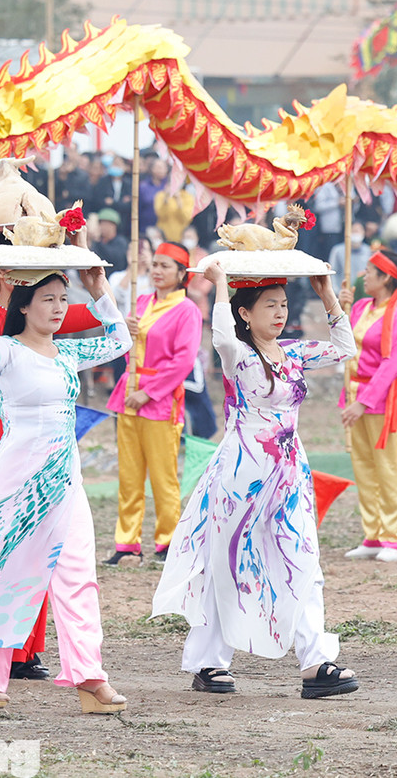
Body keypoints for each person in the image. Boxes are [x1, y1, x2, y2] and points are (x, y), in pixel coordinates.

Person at [0, 261, 131, 712]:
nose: (59, 308)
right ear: (23, 305)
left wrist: (98, 292)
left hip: (65, 481)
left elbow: (121, 341)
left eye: (63, 298)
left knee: (79, 577)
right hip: (17, 483)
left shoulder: (68, 354)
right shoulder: (6, 350)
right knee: (5, 572)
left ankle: (89, 677)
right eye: (48, 299)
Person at [153, 263, 359, 699]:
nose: (280, 313)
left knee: (303, 560)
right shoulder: (240, 355)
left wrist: (326, 295)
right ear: (246, 313)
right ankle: (210, 664)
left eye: (283, 304)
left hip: (288, 473)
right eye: (270, 306)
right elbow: (223, 337)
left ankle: (315, 663)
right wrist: (222, 286)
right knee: (227, 563)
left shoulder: (295, 353)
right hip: (240, 476)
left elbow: (345, 348)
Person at [106, 242, 202, 565]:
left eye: (165, 266)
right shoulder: (142, 301)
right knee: (129, 475)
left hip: (159, 401)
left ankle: (168, 543)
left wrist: (148, 393)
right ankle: (126, 542)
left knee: (164, 478)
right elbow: (123, 349)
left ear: (181, 274)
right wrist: (126, 331)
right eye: (155, 265)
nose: (157, 271)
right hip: (128, 395)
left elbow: (183, 361)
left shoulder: (187, 310)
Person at [339, 250, 397, 563]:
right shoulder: (359, 307)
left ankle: (394, 539)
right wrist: (338, 305)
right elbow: (343, 341)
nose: (364, 276)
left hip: (384, 402)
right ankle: (372, 534)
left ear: (385, 278)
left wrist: (363, 402)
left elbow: (390, 366)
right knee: (364, 467)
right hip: (354, 392)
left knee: (389, 469)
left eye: (370, 271)